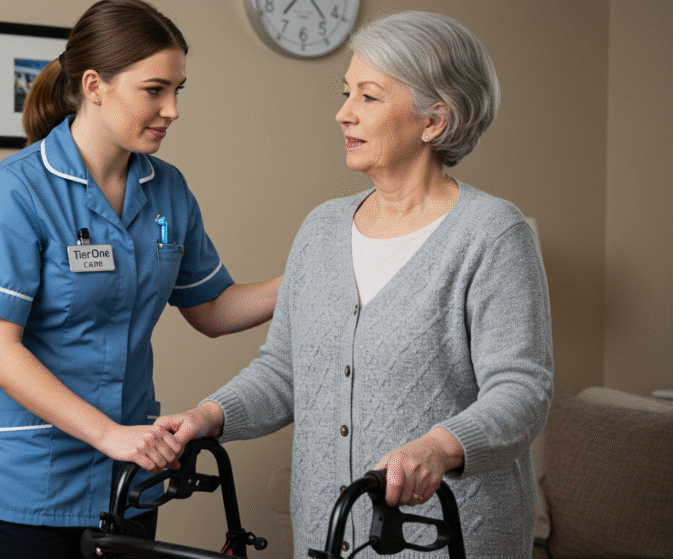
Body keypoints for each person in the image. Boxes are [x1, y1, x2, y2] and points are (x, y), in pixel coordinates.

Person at [156, 11, 553, 558]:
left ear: (434, 121)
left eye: (368, 97)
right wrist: (209, 417)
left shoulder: (492, 234)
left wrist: (438, 448)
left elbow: (522, 391)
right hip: (329, 535)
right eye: (346, 93)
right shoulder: (322, 228)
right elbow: (285, 372)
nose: (343, 114)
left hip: (450, 539)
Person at [0, 1, 281, 558]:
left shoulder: (167, 188)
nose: (171, 109)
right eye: (155, 90)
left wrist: (315, 275)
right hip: (25, 485)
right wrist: (109, 435)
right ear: (95, 85)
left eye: (177, 90)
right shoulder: (17, 189)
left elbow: (214, 309)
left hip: (127, 483)